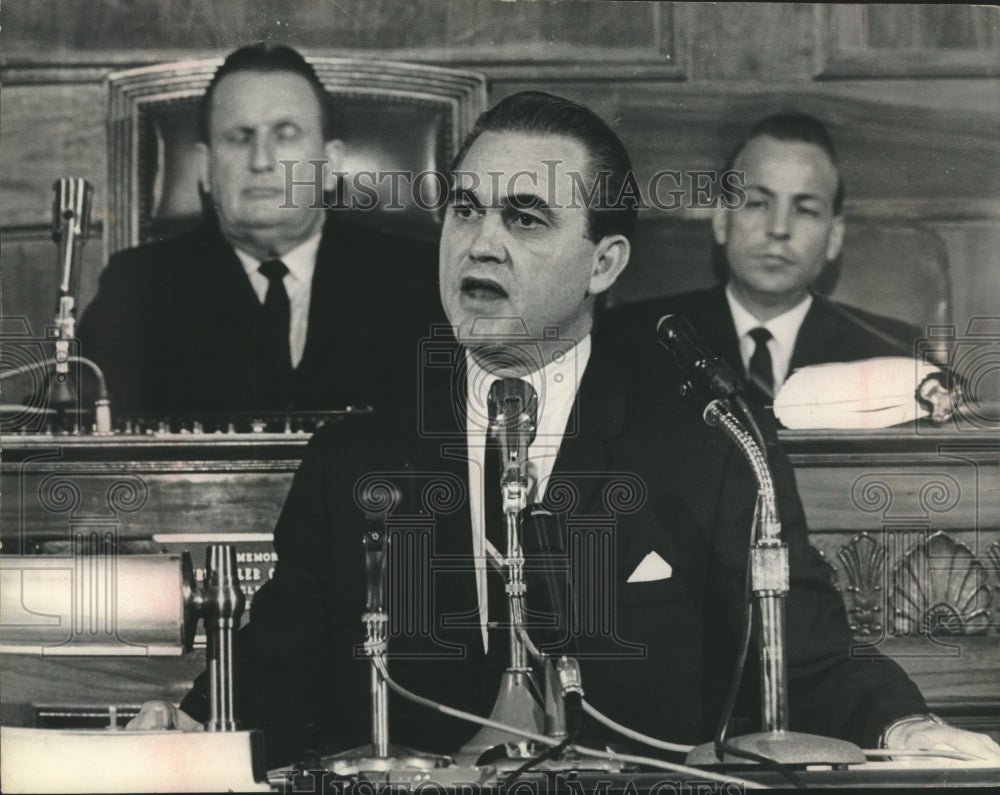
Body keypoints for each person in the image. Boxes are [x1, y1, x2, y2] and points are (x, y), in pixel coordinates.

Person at [130, 92, 1000, 771]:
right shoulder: (352, 460)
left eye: (526, 218)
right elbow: (273, 687)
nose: (481, 243)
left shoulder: (708, 446)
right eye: (465, 210)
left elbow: (805, 656)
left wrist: (908, 725)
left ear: (605, 262)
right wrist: (189, 727)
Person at [77, 43, 443, 416]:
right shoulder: (140, 287)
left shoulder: (419, 281)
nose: (262, 160)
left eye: (285, 134)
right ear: (204, 167)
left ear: (330, 164)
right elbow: (65, 434)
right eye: (239, 137)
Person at [606, 112, 921, 405]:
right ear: (721, 220)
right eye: (757, 204)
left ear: (834, 237)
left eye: (806, 209)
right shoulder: (632, 340)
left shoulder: (894, 355)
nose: (779, 229)